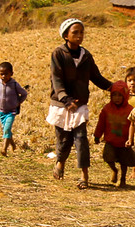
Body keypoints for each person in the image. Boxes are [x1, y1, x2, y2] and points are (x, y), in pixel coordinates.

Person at [47, 18, 113, 189]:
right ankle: (60, 162)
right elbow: (57, 79)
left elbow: (96, 77)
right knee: (64, 139)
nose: (79, 35)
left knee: (81, 139)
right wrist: (66, 99)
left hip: (80, 104)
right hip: (62, 104)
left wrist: (114, 88)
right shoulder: (58, 54)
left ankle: (84, 176)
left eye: (81, 32)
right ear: (65, 35)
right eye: (75, 32)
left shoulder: (86, 56)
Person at [93, 80, 135, 187]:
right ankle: (114, 170)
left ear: (125, 96)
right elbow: (101, 123)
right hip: (110, 141)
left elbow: (134, 125)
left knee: (124, 162)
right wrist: (97, 135)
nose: (116, 98)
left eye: (120, 95)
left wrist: (132, 139)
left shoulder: (130, 110)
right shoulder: (107, 109)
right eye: (114, 95)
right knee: (108, 157)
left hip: (124, 142)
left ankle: (123, 179)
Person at [0, 61, 28, 156]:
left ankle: (4, 149)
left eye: (6, 74)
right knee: (6, 129)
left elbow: (24, 93)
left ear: (11, 74)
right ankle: (13, 144)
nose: (4, 76)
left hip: (11, 111)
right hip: (2, 111)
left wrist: (18, 102)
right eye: (1, 74)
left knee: (7, 129)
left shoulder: (14, 85)